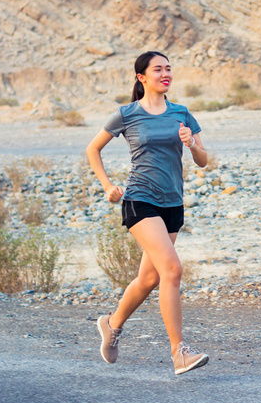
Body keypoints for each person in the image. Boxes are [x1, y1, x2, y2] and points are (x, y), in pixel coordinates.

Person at [85, 50, 209, 375]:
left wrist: (192, 144)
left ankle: (111, 325)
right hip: (140, 200)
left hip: (173, 203)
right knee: (172, 270)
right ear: (142, 77)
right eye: (158, 69)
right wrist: (107, 186)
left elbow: (203, 160)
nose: (165, 74)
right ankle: (178, 352)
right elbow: (92, 148)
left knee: (149, 278)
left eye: (169, 69)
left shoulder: (181, 113)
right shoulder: (127, 114)